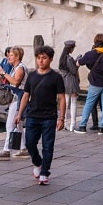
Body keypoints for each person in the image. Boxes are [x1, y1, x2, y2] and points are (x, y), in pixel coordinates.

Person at [15, 45, 66, 185]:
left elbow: (61, 98)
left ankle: (45, 172)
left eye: (44, 58)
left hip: (49, 116)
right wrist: (19, 113)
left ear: (50, 59)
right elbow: (26, 96)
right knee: (30, 143)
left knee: (48, 146)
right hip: (32, 115)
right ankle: (38, 163)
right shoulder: (31, 75)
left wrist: (62, 118)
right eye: (38, 58)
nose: (41, 61)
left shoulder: (56, 77)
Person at [0, 47, 29, 159]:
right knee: (18, 123)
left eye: (11, 55)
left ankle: (6, 150)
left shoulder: (20, 68)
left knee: (10, 124)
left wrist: (3, 72)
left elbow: (16, 82)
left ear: (17, 56)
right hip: (16, 98)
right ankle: (23, 148)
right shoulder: (14, 68)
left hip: (19, 98)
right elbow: (9, 80)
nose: (9, 57)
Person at [76, 34, 103, 132]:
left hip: (95, 83)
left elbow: (79, 63)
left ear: (95, 41)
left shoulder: (91, 54)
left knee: (89, 103)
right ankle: (102, 127)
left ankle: (82, 126)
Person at [58, 40, 81, 132]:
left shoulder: (62, 58)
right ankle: (72, 124)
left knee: (65, 103)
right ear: (71, 48)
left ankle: (65, 123)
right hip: (71, 81)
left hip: (64, 81)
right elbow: (74, 70)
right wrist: (77, 63)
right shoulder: (69, 58)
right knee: (74, 102)